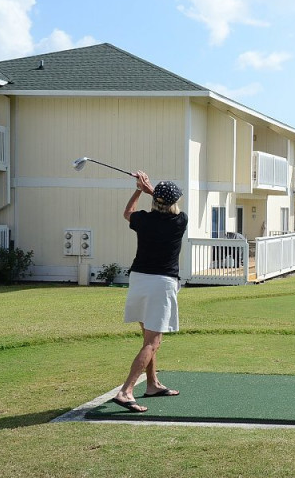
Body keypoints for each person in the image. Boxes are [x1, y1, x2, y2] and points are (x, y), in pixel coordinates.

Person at [111, 171, 188, 413]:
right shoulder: (180, 221)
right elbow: (167, 204)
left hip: (139, 280)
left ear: (153, 201)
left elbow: (127, 213)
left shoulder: (143, 219)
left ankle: (152, 384)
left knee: (148, 338)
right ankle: (126, 391)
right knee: (153, 342)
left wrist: (139, 189)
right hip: (161, 285)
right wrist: (149, 188)